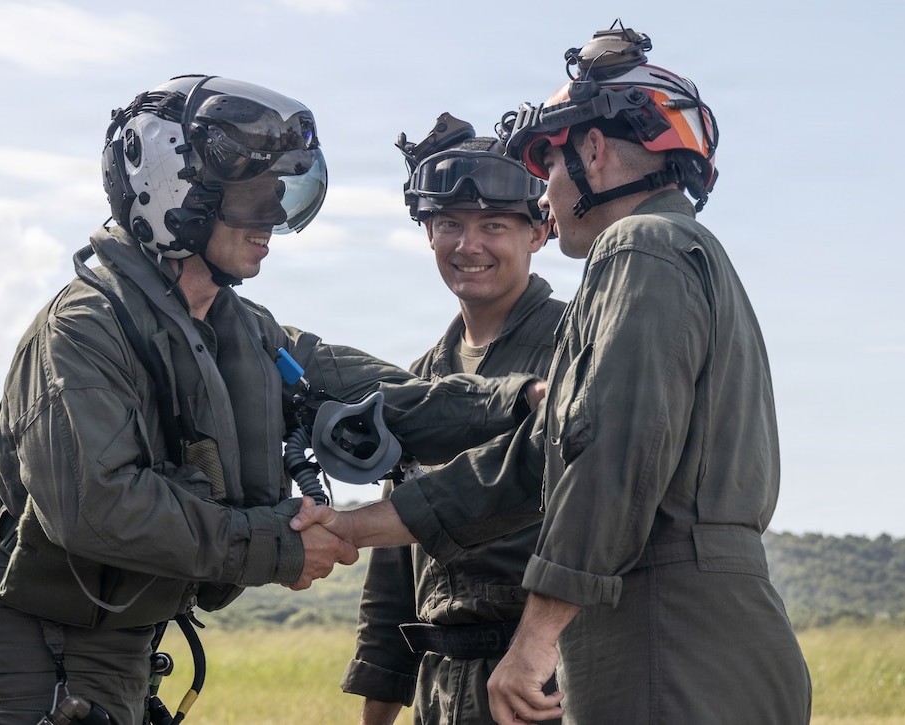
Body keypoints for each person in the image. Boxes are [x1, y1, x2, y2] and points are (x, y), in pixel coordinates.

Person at [0, 74, 542, 725]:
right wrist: (278, 545)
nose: (274, 219)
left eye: (278, 196)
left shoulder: (240, 331)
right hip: (37, 651)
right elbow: (100, 505)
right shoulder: (83, 330)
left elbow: (394, 398)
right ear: (176, 195)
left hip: (119, 647)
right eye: (253, 200)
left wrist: (520, 401)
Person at [292, 22, 813, 724]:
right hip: (682, 635)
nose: (548, 192)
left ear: (592, 151)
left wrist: (534, 640)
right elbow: (532, 462)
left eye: (550, 168)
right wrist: (354, 527)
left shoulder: (640, 247)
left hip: (668, 637)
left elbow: (614, 459)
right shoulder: (676, 252)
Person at [341, 113, 565, 724]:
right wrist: (377, 714)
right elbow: (392, 577)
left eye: (493, 225)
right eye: (449, 225)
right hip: (441, 691)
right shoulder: (420, 380)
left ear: (538, 232)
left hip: (546, 683)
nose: (469, 246)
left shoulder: (578, 347)